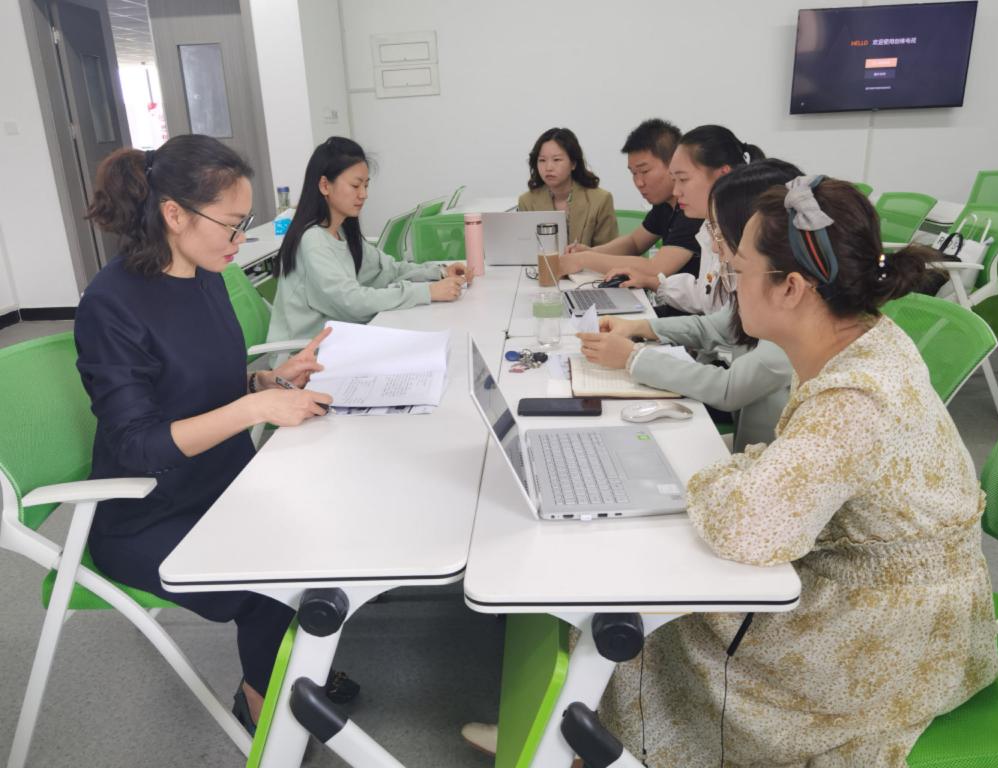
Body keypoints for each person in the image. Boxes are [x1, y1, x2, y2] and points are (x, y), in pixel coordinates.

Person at [595, 176, 998, 765]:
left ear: (791, 288)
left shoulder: (854, 397)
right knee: (665, 595)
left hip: (899, 631)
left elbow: (751, 531)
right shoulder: (858, 337)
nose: (729, 283)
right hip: (908, 597)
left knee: (659, 619)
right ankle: (596, 733)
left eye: (738, 270)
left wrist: (710, 479)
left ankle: (601, 743)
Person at [76, 135, 357, 736]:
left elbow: (200, 384)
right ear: (174, 214)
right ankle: (261, 703)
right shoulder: (110, 304)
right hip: (147, 513)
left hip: (220, 482)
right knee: (272, 581)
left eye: (244, 223)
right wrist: (254, 407)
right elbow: (137, 445)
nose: (240, 240)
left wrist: (268, 379)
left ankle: (291, 667)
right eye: (231, 224)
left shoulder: (206, 273)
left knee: (328, 523)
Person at [576, 159, 800, 452]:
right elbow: (714, 326)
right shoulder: (764, 291)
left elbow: (728, 388)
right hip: (751, 452)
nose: (715, 246)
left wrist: (633, 357)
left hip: (766, 460)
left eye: (717, 232)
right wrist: (639, 327)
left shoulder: (793, 321)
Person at [268, 137, 469, 340]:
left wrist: (438, 272)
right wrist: (427, 292)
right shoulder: (313, 241)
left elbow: (388, 270)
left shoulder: (342, 231)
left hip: (339, 339)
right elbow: (352, 303)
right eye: (355, 186)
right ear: (325, 185)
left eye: (366, 185)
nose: (363, 194)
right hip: (307, 352)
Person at [597, 124, 765, 315]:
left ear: (723, 175)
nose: (676, 191)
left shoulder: (749, 231)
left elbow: (725, 324)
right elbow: (706, 296)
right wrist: (653, 282)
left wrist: (583, 259)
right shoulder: (709, 224)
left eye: (683, 179)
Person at [556, 118, 702, 282]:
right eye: (633, 173)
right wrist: (591, 252)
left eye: (644, 171)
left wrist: (584, 260)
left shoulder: (693, 209)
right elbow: (634, 243)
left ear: (673, 164)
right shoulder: (664, 205)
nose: (638, 182)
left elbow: (656, 268)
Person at [517, 127, 618, 248]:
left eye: (557, 160)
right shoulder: (527, 202)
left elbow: (610, 253)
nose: (548, 167)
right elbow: (525, 251)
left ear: (573, 164)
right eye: (542, 160)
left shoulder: (600, 200)